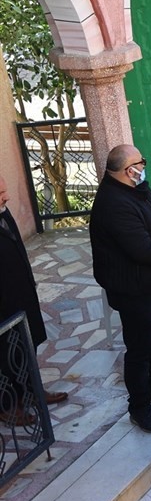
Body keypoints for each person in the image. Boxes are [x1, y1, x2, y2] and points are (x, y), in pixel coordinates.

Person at [89, 144, 151, 434]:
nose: (144, 167)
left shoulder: (137, 188)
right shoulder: (113, 202)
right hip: (134, 289)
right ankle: (140, 407)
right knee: (140, 348)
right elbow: (140, 248)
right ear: (128, 170)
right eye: (140, 162)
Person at [0, 176, 68, 426]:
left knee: (28, 345)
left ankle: (32, 391)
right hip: (3, 308)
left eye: (4, 191)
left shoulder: (4, 213)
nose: (5, 198)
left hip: (21, 295)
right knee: (5, 357)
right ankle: (8, 405)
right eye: (0, 194)